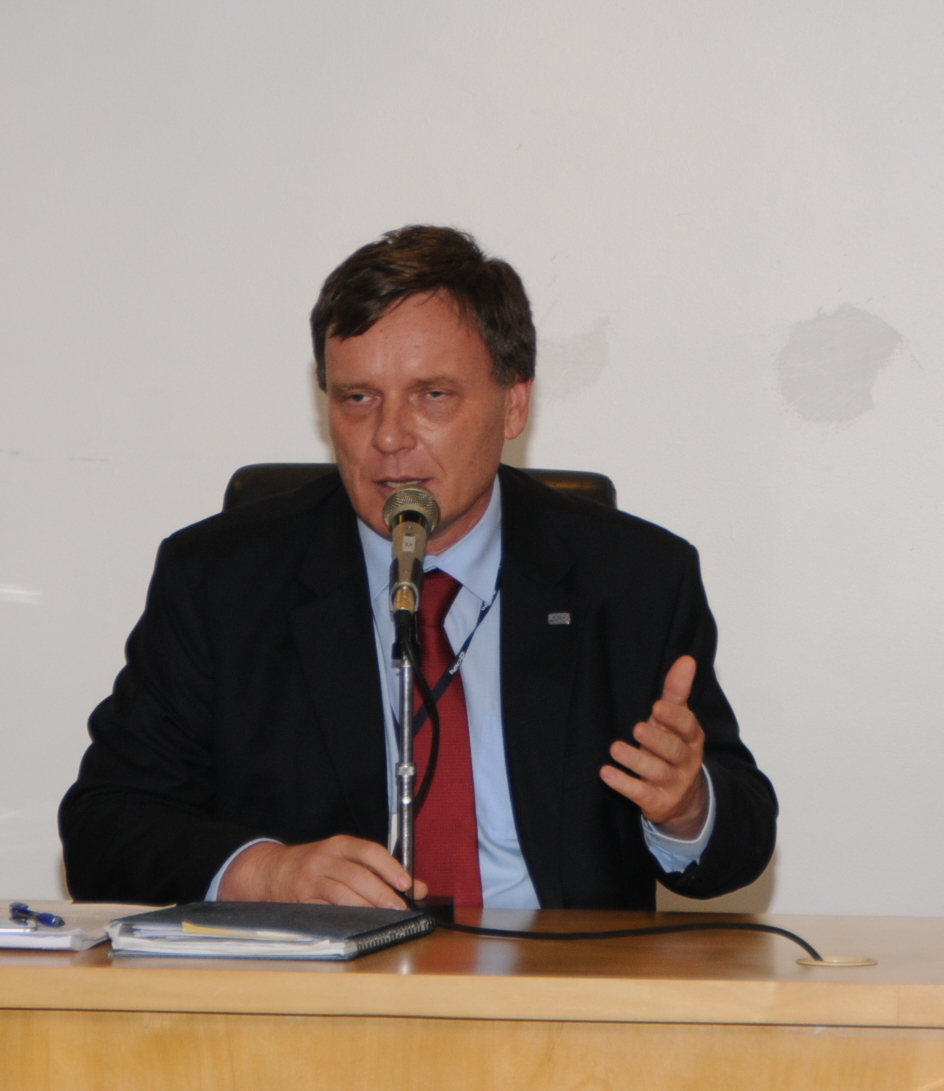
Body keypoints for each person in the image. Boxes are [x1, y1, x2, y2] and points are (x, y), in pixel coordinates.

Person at [61, 225, 776, 910]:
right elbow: (101, 827)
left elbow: (740, 841)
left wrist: (687, 805)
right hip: (316, 1010)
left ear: (513, 403)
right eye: (357, 398)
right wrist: (268, 870)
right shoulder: (220, 580)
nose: (390, 437)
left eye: (432, 395)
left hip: (557, 1001)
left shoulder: (631, 578)